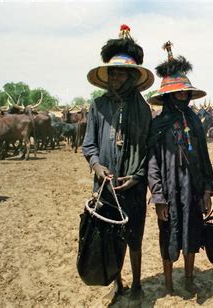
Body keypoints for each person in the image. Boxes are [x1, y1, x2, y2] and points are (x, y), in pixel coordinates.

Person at [82, 24, 154, 301]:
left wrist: (137, 176)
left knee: (134, 237)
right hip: (105, 186)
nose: (115, 77)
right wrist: (98, 168)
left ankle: (137, 283)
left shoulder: (143, 109)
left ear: (132, 76)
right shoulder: (98, 106)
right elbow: (89, 145)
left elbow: (149, 149)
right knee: (110, 237)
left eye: (120, 72)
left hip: (134, 186)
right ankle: (118, 283)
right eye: (112, 72)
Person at [147, 42, 213, 295]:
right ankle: (167, 284)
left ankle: (188, 279)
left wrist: (207, 189)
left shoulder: (195, 121)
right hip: (168, 191)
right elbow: (152, 162)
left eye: (185, 93)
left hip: (193, 189)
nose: (183, 97)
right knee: (167, 235)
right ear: (167, 96)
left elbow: (205, 158)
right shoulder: (158, 125)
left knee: (193, 232)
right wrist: (158, 197)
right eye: (178, 93)